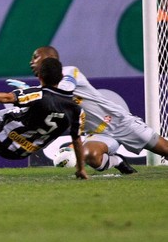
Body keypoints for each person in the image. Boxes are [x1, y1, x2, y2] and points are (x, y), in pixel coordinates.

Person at [27, 45, 168, 174]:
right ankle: (118, 161)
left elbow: (65, 89)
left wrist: (32, 94)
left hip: (121, 123)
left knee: (165, 149)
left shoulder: (70, 71)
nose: (31, 62)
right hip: (98, 133)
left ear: (50, 58)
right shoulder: (45, 91)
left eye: (35, 57)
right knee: (90, 156)